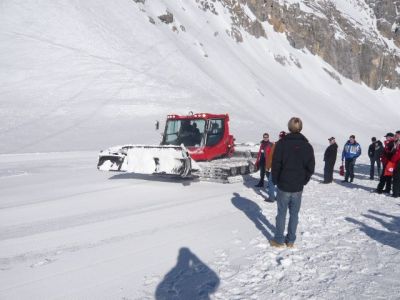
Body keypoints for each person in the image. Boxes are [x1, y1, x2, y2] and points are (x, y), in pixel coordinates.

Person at [270, 117, 315, 248]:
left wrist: (276, 180)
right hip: (296, 186)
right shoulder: (307, 146)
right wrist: (303, 180)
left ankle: (279, 240)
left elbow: (276, 164)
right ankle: (290, 241)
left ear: (289, 127)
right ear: (300, 128)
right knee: (294, 214)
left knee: (282, 214)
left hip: (285, 185)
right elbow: (310, 167)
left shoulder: (281, 144)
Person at [264, 131, 286, 202]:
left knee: (271, 182)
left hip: (275, 167)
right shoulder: (289, 145)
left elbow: (271, 156)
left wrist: (268, 165)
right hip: (283, 167)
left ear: (279, 136)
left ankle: (271, 197)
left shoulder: (276, 144)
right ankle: (278, 197)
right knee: (280, 183)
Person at [389, 131, 400, 197]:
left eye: (396, 136)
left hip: (398, 163)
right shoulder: (396, 143)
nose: (395, 137)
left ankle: (395, 193)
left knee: (396, 178)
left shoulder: (398, 143)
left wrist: (392, 161)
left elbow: (397, 154)